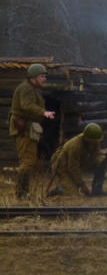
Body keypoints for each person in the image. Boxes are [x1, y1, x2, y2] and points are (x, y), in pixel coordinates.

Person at [8, 63, 56, 199]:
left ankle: (24, 193)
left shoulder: (32, 88)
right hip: (24, 129)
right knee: (27, 161)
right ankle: (21, 193)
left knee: (30, 161)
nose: (44, 79)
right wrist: (43, 112)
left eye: (45, 76)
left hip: (28, 128)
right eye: (42, 76)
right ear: (33, 77)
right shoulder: (26, 88)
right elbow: (27, 105)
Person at [46, 123, 105, 197]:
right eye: (93, 140)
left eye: (96, 140)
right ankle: (59, 190)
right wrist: (82, 185)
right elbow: (73, 168)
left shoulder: (95, 141)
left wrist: (102, 163)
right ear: (87, 138)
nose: (95, 142)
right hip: (63, 167)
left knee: (102, 162)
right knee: (74, 195)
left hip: (77, 165)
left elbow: (96, 156)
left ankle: (97, 189)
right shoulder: (75, 146)